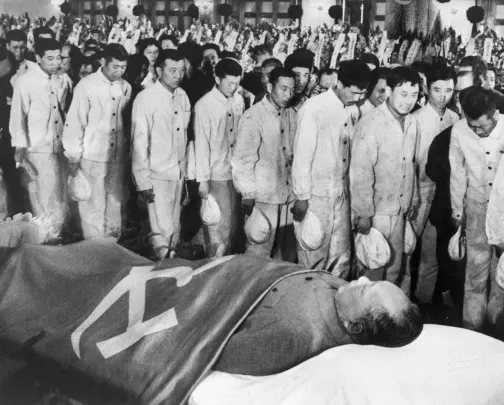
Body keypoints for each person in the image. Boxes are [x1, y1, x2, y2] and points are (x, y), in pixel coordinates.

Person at [214, 275, 423, 376]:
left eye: (364, 289)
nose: (361, 277)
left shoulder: (291, 336)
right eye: (373, 281)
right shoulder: (346, 301)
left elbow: (210, 348)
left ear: (354, 327)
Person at [291, 60, 371, 277]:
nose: (357, 98)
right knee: (313, 253)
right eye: (354, 92)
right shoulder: (314, 108)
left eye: (362, 93)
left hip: (340, 194)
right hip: (315, 195)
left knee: (341, 255)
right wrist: (301, 196)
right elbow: (302, 156)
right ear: (339, 83)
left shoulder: (352, 110)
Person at [351, 67, 421, 294]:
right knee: (372, 268)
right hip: (376, 212)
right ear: (389, 91)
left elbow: (410, 166)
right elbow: (361, 171)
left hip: (399, 210)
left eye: (414, 95)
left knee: (394, 270)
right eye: (403, 94)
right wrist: (363, 213)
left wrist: (410, 201)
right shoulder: (371, 122)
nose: (409, 101)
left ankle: (386, 321)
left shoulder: (411, 123)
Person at [449, 86, 504, 332]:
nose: (478, 132)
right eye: (473, 127)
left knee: (501, 274)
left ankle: (496, 327)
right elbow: (457, 172)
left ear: (495, 114)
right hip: (477, 206)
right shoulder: (459, 131)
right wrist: (457, 211)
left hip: (503, 209)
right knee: (475, 271)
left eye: (484, 126)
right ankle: (472, 328)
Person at [63, 44, 131, 240]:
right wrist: (74, 154)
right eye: (115, 67)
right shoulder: (86, 85)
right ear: (103, 62)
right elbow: (76, 121)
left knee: (114, 203)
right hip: (92, 154)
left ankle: (112, 246)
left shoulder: (125, 86)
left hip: (116, 155)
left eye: (123, 67)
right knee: (93, 205)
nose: (119, 71)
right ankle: (95, 248)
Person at [232, 68, 297, 261]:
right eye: (283, 88)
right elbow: (242, 161)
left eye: (292, 90)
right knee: (258, 252)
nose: (288, 94)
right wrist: (248, 194)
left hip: (287, 196)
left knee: (282, 255)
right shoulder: (254, 117)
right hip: (262, 197)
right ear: (270, 87)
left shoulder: (291, 114)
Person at [132, 50, 190, 259]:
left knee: (175, 227)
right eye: (172, 70)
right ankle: (161, 271)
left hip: (177, 173)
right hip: (155, 175)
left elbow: (184, 135)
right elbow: (139, 142)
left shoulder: (183, 96)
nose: (178, 75)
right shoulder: (146, 98)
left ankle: (170, 269)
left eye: (181, 70)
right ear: (158, 71)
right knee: (160, 232)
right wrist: (143, 182)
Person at [9, 38, 72, 231]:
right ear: (38, 58)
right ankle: (48, 238)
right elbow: (18, 115)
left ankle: (58, 236)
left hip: (61, 145)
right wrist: (20, 147)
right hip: (37, 149)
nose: (56, 63)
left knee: (61, 195)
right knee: (43, 196)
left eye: (59, 58)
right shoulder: (26, 81)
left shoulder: (64, 79)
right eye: (50, 59)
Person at [411, 64, 459, 305]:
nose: (443, 96)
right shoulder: (415, 119)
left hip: (442, 198)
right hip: (417, 192)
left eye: (448, 90)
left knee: (431, 254)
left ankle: (424, 302)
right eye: (437, 89)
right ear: (426, 88)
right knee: (408, 250)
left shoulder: (456, 119)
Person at [193, 58, 245, 257]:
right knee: (216, 225)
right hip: (215, 174)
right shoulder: (205, 105)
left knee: (232, 226)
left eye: (236, 83)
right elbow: (201, 145)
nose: (233, 87)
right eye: (229, 83)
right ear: (216, 78)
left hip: (235, 174)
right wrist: (203, 180)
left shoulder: (239, 100)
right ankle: (213, 266)